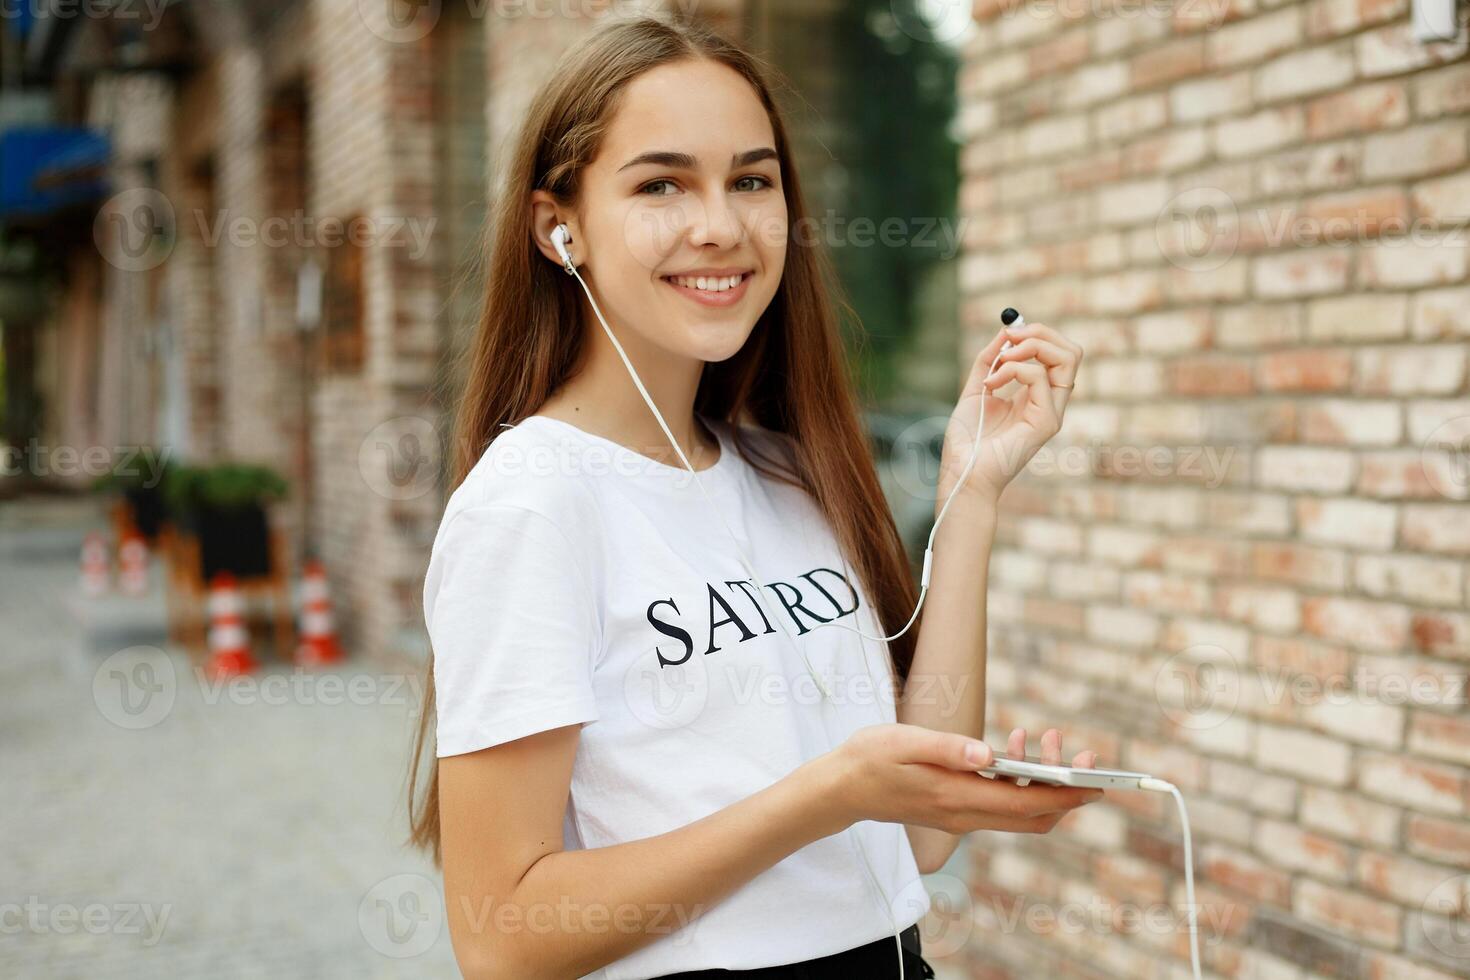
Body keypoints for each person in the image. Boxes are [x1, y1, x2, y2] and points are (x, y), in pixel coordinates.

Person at [408, 15, 1099, 980]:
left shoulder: (785, 471)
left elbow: (920, 840)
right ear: (556, 228)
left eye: (751, 179)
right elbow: (500, 936)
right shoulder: (531, 504)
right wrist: (826, 794)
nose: (721, 227)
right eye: (661, 183)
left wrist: (971, 491)